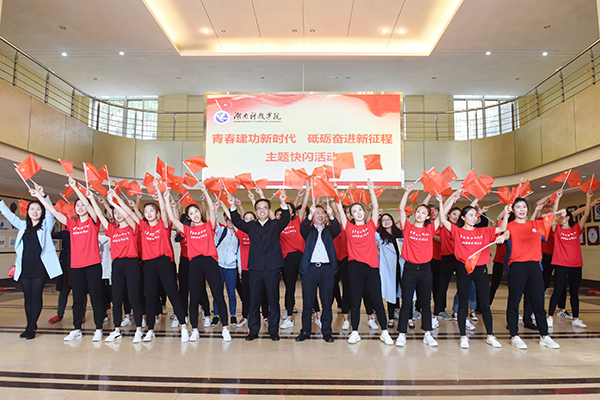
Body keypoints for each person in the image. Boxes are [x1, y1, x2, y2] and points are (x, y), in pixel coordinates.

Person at [35, 178, 106, 342]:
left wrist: (76, 188)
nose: (80, 208)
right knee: (77, 299)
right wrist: (40, 196)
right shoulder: (72, 224)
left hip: (93, 265)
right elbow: (54, 212)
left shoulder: (93, 222)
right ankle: (77, 329)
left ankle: (98, 329)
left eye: (83, 205)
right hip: (76, 267)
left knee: (96, 298)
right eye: (77, 206)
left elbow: (90, 207)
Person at [164, 184, 232, 341]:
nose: (194, 215)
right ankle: (194, 329)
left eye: (196, 212)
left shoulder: (209, 226)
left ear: (200, 213)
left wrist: (204, 191)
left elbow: (212, 210)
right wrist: (167, 199)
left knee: (218, 296)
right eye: (191, 213)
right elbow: (172, 218)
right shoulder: (187, 231)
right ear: (188, 217)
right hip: (195, 264)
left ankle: (225, 329)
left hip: (210, 263)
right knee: (193, 298)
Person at [438, 198, 509, 349]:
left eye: (475, 215)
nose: (474, 217)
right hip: (464, 268)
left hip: (481, 269)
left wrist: (506, 213)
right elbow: (442, 219)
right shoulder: (457, 231)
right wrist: (442, 202)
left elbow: (503, 227)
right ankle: (463, 336)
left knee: (484, 304)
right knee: (463, 303)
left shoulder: (483, 231)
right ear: (463, 218)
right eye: (470, 215)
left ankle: (490, 336)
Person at [335, 179, 394, 345]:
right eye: (354, 211)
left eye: (360, 209)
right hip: (355, 268)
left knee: (377, 300)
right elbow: (339, 208)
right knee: (355, 301)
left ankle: (384, 331)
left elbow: (375, 207)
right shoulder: (348, 227)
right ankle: (355, 332)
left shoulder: (370, 225)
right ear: (351, 216)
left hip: (372, 268)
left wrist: (371, 190)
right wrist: (336, 192)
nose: (358, 213)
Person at [1, 184, 62, 339]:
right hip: (25, 268)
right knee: (28, 298)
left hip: (40, 268)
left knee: (36, 296)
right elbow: (9, 215)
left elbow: (51, 213)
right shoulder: (23, 226)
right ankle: (30, 325)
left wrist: (42, 195)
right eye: (32, 209)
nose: (35, 211)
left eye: (38, 209)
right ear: (27, 212)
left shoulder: (46, 226)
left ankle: (32, 327)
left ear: (42, 212)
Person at [501, 196, 561, 350]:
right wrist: (503, 235)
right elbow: (505, 233)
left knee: (538, 301)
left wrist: (559, 209)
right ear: (513, 210)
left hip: (534, 266)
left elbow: (554, 219)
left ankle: (544, 336)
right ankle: (514, 335)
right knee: (514, 301)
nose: (522, 210)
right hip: (517, 267)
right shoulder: (511, 225)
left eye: (524, 206)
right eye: (518, 207)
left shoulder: (536, 224)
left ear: (528, 209)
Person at [229, 191, 290, 341]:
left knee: (273, 301)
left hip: (272, 269)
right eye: (259, 208)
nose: (262, 210)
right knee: (254, 301)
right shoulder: (251, 226)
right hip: (255, 269)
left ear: (268, 210)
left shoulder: (275, 224)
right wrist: (232, 206)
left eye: (264, 208)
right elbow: (237, 221)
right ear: (256, 211)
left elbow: (286, 219)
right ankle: (253, 331)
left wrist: (283, 203)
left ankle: (273, 331)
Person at [89, 190, 145, 343]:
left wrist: (115, 201)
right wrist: (91, 199)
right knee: (117, 299)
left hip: (132, 264)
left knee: (133, 298)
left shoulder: (133, 227)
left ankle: (139, 330)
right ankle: (117, 330)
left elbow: (128, 214)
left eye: (119, 212)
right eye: (115, 214)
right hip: (117, 265)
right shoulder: (112, 229)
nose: (118, 215)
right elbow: (100, 216)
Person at [136, 180, 188, 342]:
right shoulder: (143, 226)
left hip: (164, 262)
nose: (148, 213)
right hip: (149, 265)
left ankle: (183, 326)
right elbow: (130, 214)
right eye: (146, 211)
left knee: (173, 294)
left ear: (157, 213)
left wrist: (159, 192)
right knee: (150, 297)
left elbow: (165, 210)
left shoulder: (163, 225)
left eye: (152, 210)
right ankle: (150, 330)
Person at [395, 182, 442, 347]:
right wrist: (406, 192)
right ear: (415, 214)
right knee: (406, 302)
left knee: (425, 303)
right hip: (409, 269)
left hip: (425, 270)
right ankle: (402, 333)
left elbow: (442, 217)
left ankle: (427, 333)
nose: (421, 214)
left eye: (424, 213)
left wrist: (441, 202)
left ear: (428, 216)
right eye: (419, 212)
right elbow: (401, 209)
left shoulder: (430, 230)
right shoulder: (407, 227)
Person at [295, 202, 341, 343]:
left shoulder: (329, 230)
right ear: (313, 215)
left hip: (327, 269)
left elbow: (337, 228)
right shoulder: (308, 230)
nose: (320, 215)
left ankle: (327, 331)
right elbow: (302, 227)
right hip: (310, 269)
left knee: (327, 302)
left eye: (323, 213)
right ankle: (305, 331)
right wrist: (309, 215)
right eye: (317, 213)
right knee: (308, 302)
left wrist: (331, 215)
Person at [547, 190, 593, 329]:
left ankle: (576, 319)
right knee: (558, 291)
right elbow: (552, 217)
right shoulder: (557, 230)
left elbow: (586, 214)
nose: (560, 217)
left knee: (574, 292)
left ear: (568, 218)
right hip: (561, 265)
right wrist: (557, 199)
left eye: (563, 215)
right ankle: (549, 317)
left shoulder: (576, 229)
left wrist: (588, 198)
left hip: (576, 265)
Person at [376, 213, 403, 328]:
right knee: (391, 293)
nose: (386, 221)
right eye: (383, 220)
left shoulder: (400, 233)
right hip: (389, 268)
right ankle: (391, 317)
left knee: (404, 292)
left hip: (401, 267)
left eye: (388, 219)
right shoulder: (380, 236)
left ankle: (407, 317)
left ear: (393, 220)